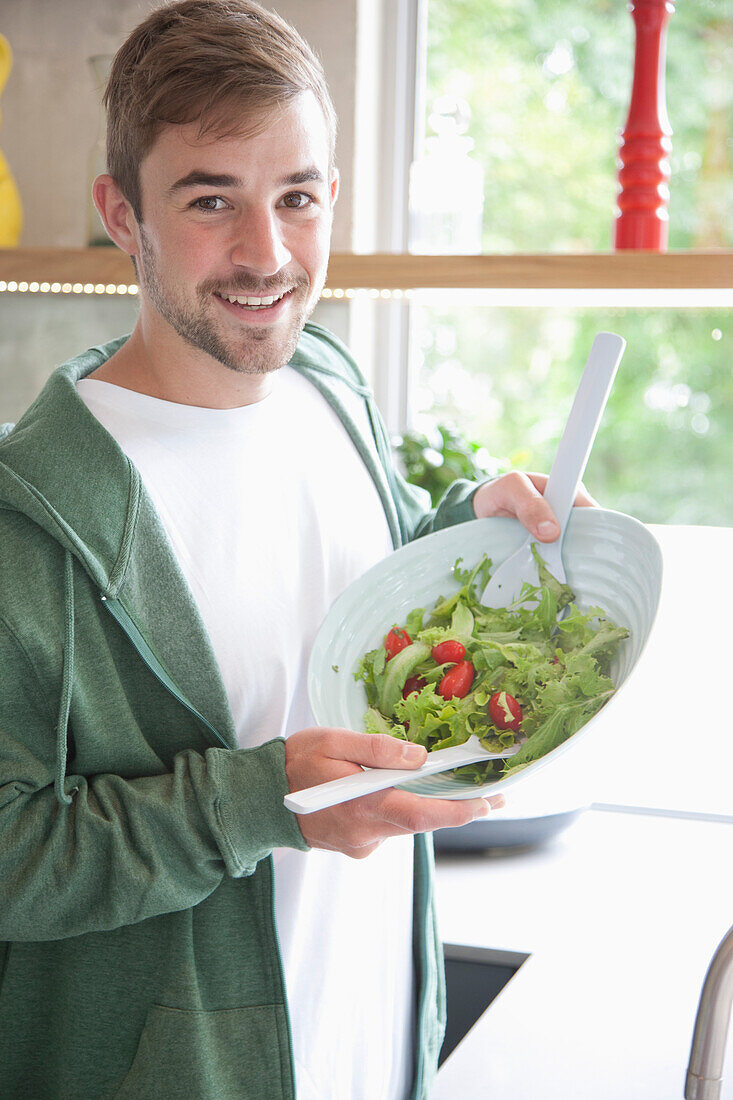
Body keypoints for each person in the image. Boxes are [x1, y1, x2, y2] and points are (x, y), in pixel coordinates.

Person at [0, 2, 594, 1097]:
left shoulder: (329, 383)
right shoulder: (32, 513)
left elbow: (348, 597)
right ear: (121, 215)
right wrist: (257, 798)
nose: (267, 253)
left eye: (297, 197)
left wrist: (469, 526)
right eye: (210, 199)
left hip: (372, 1050)